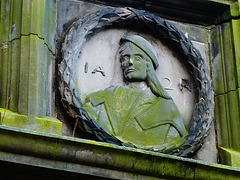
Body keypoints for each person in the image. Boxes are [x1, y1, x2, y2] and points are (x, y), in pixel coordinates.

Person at [83, 35, 188, 150]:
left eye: (138, 58)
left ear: (148, 65)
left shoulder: (167, 109)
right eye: (125, 58)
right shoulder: (101, 99)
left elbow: (176, 142)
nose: (130, 62)